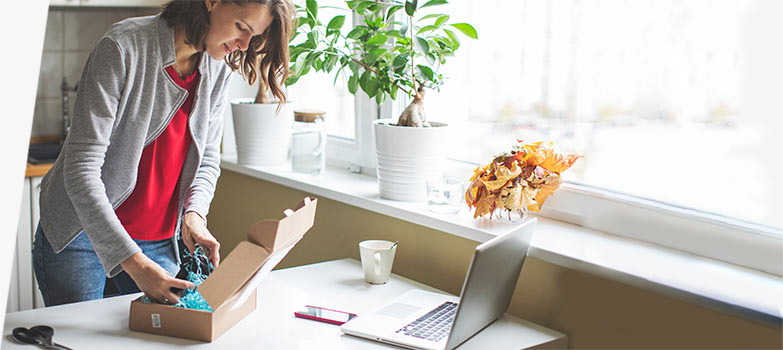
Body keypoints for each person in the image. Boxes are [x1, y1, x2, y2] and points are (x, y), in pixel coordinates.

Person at [33, 0, 294, 307]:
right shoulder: (123, 47)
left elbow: (208, 157)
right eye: (241, 27)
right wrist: (135, 264)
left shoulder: (218, 66)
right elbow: (80, 170)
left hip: (156, 240)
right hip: (81, 237)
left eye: (254, 36)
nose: (243, 45)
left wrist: (194, 215)